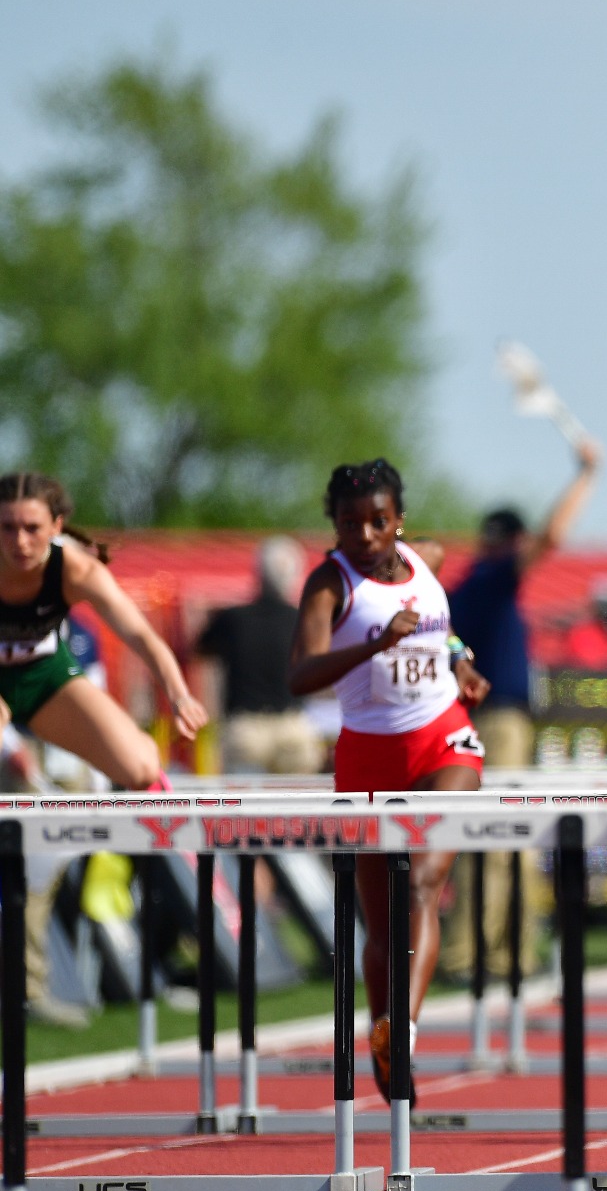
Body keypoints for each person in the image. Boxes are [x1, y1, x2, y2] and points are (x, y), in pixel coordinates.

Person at [288, 459, 489, 1102]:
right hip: (368, 754)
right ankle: (383, 1027)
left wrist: (458, 660)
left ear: (399, 519)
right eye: (351, 524)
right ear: (335, 525)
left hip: (442, 737)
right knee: (380, 922)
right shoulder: (329, 584)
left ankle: (401, 1027)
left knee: (423, 886)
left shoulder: (423, 557)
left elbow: (437, 624)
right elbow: (301, 675)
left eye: (379, 521)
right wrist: (374, 645)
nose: (367, 535)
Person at [440, 444, 597, 982]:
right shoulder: (492, 580)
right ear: (510, 542)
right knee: (498, 837)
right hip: (497, 722)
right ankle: (482, 954)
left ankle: (502, 951)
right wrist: (586, 475)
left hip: (471, 720)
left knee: (495, 838)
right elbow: (553, 536)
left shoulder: (467, 591)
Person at [0, 472, 206, 789]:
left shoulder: (78, 571)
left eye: (32, 528)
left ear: (56, 526)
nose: (20, 542)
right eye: (8, 528)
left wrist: (180, 695)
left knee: (140, 768)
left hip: (43, 679)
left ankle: (168, 828)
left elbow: (140, 635)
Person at [198, 536, 323, 774]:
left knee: (242, 808)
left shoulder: (232, 619)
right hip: (292, 730)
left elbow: (200, 650)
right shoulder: (303, 620)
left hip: (245, 732)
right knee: (301, 805)